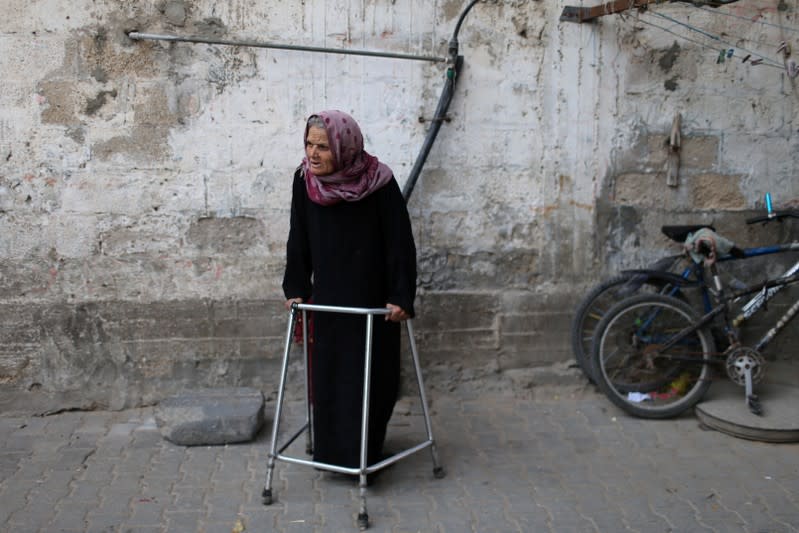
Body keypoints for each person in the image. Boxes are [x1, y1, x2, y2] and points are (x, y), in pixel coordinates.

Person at [282, 110, 417, 470]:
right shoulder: (305, 181)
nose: (313, 154)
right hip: (328, 304)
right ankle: (331, 456)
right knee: (331, 380)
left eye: (323, 147)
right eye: (309, 144)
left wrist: (401, 295)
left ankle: (364, 458)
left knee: (372, 382)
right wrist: (295, 287)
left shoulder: (379, 183)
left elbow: (399, 243)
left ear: (345, 146)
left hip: (373, 303)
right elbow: (300, 237)